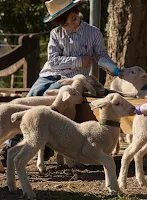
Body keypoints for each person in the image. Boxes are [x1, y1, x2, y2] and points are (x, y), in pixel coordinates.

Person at [0, 0, 119, 164]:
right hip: (49, 74)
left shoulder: (93, 33)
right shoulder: (56, 34)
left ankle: (46, 141)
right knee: (32, 96)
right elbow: (53, 60)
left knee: (49, 102)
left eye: (72, 21)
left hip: (68, 79)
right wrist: (78, 61)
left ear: (76, 14)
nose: (70, 26)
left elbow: (100, 54)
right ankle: (12, 143)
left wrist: (109, 65)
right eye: (65, 24)